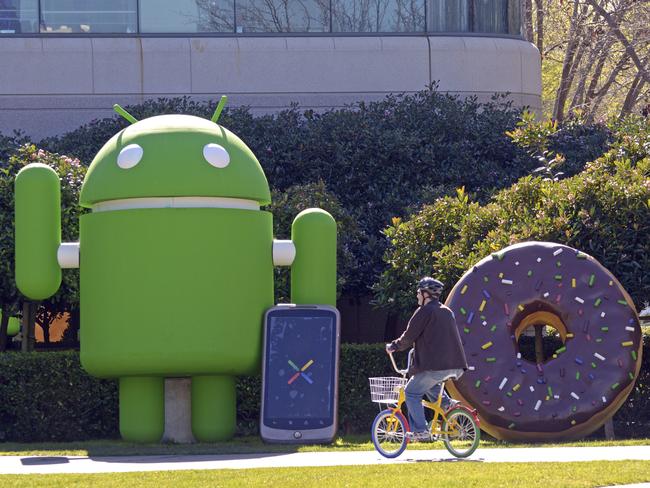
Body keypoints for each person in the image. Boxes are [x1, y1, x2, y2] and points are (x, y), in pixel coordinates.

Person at [386, 277, 468, 442]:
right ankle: (447, 404)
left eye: (418, 292)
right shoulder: (446, 311)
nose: (417, 295)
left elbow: (409, 336)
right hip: (454, 365)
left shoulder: (425, 311)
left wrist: (394, 346)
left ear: (425, 294)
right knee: (429, 385)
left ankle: (421, 430)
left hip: (435, 366)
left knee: (411, 392)